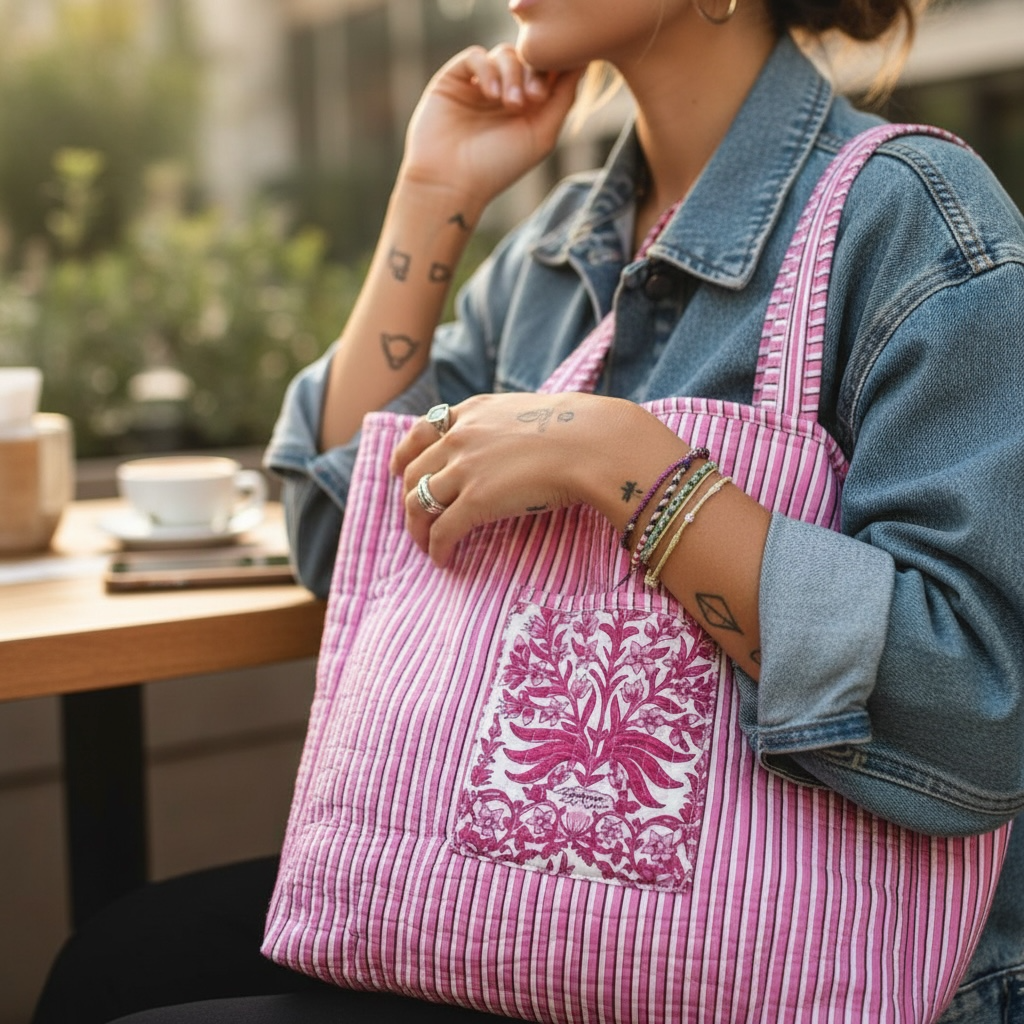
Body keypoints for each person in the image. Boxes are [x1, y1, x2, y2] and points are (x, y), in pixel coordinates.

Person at [31, 0, 1024, 1021]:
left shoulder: (916, 224)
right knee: (109, 964)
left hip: (788, 952)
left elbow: (978, 707)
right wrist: (431, 196)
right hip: (524, 901)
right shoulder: (554, 256)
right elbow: (348, 548)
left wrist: (624, 463)